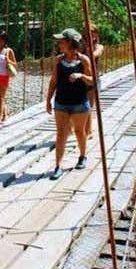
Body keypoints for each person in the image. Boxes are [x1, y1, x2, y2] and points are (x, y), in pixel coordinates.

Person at [46, 28, 94, 180]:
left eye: (61, 41)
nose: (59, 44)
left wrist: (81, 75)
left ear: (70, 43)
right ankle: (58, 166)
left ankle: (82, 156)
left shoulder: (84, 60)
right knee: (61, 133)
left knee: (80, 131)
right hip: (61, 102)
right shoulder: (58, 60)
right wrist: (48, 100)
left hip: (79, 103)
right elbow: (54, 81)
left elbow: (93, 80)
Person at [82, 24, 104, 140]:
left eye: (90, 32)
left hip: (93, 79)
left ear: (96, 34)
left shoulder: (99, 47)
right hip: (82, 78)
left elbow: (93, 55)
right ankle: (84, 129)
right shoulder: (81, 46)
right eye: (86, 32)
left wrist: (87, 47)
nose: (88, 34)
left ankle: (88, 131)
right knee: (81, 105)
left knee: (88, 106)